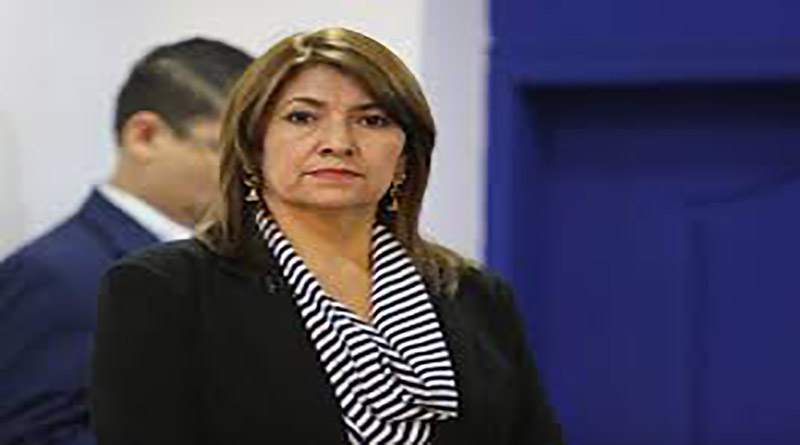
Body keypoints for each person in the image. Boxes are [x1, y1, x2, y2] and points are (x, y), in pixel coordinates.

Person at [91, 28, 565, 445]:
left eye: (372, 120)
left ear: (405, 156)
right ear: (253, 146)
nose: (338, 142)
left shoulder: (476, 296)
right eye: (302, 117)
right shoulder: (165, 289)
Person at [0, 38, 253, 444]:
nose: (249, 176)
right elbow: (29, 435)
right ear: (145, 136)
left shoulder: (232, 260)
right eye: (227, 150)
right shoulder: (56, 274)